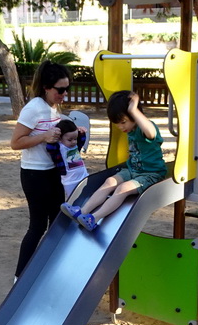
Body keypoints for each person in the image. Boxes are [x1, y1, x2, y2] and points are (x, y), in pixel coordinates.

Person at [61, 90, 167, 232]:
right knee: (110, 181)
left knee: (122, 189)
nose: (121, 127)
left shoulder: (147, 128)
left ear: (135, 115)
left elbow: (151, 133)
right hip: (132, 170)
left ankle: (94, 218)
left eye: (123, 122)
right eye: (118, 124)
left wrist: (133, 109)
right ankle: (82, 211)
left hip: (151, 175)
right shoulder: (130, 130)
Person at [10, 60, 72, 277]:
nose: (64, 94)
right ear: (46, 87)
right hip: (34, 174)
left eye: (67, 89)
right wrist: (43, 137)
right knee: (37, 226)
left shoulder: (52, 107)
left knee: (57, 222)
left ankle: (50, 267)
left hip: (53, 171)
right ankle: (20, 276)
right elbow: (16, 142)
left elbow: (55, 129)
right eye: (60, 90)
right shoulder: (34, 108)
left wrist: (73, 129)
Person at [45, 117, 89, 198]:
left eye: (75, 139)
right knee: (73, 200)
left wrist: (81, 132)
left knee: (87, 197)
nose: (73, 142)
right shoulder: (60, 148)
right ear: (60, 138)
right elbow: (50, 148)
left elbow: (82, 140)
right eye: (70, 140)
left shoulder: (75, 146)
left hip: (84, 176)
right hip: (70, 181)